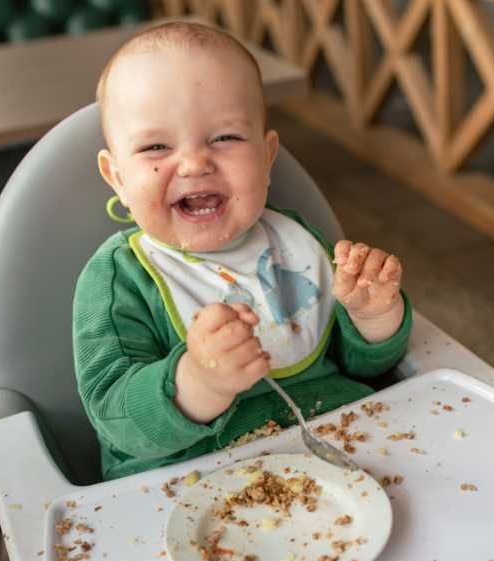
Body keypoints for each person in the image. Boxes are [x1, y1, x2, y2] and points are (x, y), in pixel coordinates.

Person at [74, 21, 411, 481]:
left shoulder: (296, 239)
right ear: (116, 177)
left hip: (343, 455)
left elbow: (362, 367)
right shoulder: (119, 280)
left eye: (225, 138)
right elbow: (115, 420)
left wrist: (372, 319)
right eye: (156, 146)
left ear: (267, 156)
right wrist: (196, 383)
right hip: (191, 486)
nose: (195, 163)